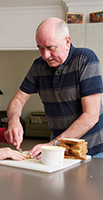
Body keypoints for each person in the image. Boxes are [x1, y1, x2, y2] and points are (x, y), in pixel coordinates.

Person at [6, 17, 103, 159]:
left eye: (51, 48)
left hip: (93, 151)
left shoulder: (85, 59)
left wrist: (53, 144)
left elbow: (90, 116)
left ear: (67, 42)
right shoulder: (38, 67)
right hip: (58, 150)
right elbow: (18, 100)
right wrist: (13, 120)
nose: (46, 55)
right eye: (40, 48)